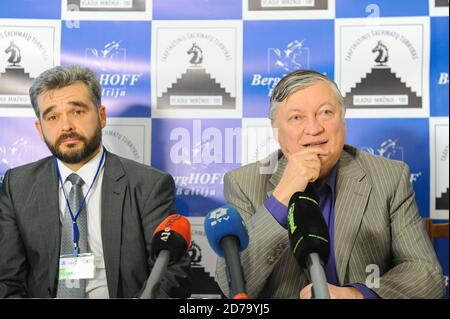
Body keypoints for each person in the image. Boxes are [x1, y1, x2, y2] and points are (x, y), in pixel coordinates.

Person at [215, 69, 445, 299]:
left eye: (326, 113)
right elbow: (232, 285)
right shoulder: (243, 183)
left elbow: (426, 274)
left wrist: (356, 295)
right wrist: (283, 195)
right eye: (296, 117)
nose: (314, 129)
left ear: (342, 121)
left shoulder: (389, 177)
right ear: (276, 130)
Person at [0, 65, 191, 298]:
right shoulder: (17, 185)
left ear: (101, 116)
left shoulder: (149, 185)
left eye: (77, 112)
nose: (66, 126)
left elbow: (171, 271)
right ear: (40, 129)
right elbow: (7, 278)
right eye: (52, 117)